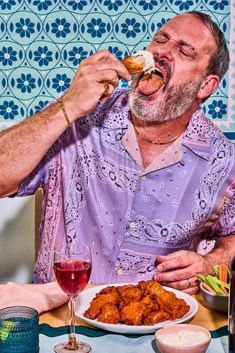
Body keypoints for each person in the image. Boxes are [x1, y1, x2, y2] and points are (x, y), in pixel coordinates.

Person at [0, 10, 234, 301]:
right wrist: (68, 105)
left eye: (184, 50)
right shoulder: (75, 118)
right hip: (67, 319)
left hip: (162, 322)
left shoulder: (224, 160)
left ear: (206, 86)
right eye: (160, 40)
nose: (162, 51)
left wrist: (214, 260)